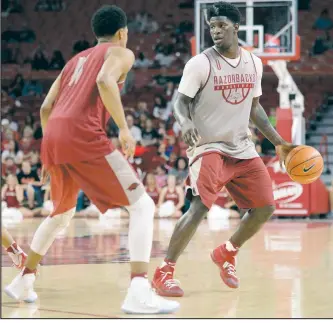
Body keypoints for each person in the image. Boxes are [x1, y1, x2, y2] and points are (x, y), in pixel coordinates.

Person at [4, 5, 179, 315]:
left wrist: (50, 151)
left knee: (61, 213)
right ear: (123, 32)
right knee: (142, 205)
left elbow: (46, 107)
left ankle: (24, 279)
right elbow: (104, 81)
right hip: (82, 134)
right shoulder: (122, 53)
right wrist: (124, 130)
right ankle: (138, 290)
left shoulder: (74, 60)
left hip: (55, 135)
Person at [152, 1, 296, 297]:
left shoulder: (254, 62)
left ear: (236, 27)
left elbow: (254, 108)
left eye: (221, 26)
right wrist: (185, 123)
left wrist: (279, 142)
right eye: (212, 27)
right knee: (199, 207)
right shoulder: (200, 63)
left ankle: (227, 252)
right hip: (208, 146)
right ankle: (164, 271)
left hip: (241, 146)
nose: (216, 31)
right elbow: (180, 102)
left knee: (265, 207)